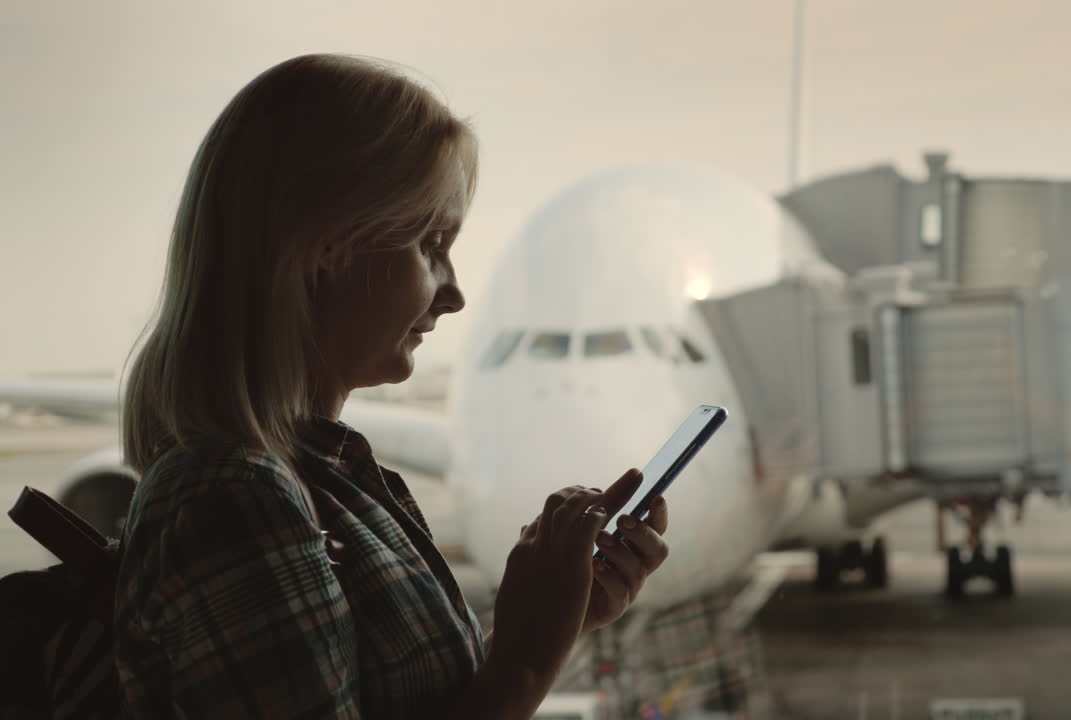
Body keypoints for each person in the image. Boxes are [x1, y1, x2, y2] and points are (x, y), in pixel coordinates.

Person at [114, 53, 670, 718]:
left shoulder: (314, 479)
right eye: (432, 245)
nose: (455, 294)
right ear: (325, 247)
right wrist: (525, 655)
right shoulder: (232, 501)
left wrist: (563, 620)